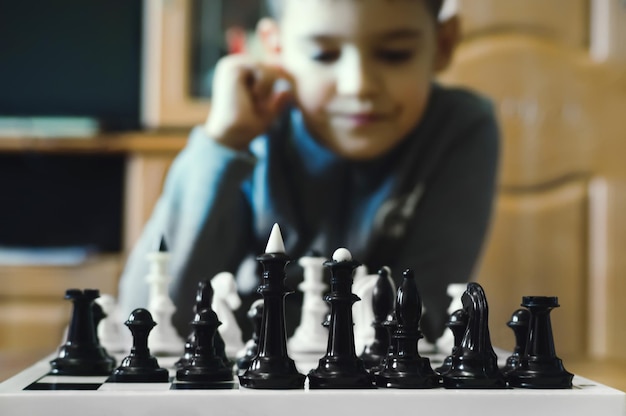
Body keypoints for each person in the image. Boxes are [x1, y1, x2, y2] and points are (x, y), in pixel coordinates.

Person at [118, 0, 500, 344]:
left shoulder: (461, 128)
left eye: (394, 54)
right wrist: (222, 144)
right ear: (275, 47)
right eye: (323, 54)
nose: (359, 85)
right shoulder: (251, 131)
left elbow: (423, 319)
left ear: (444, 42)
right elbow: (143, 319)